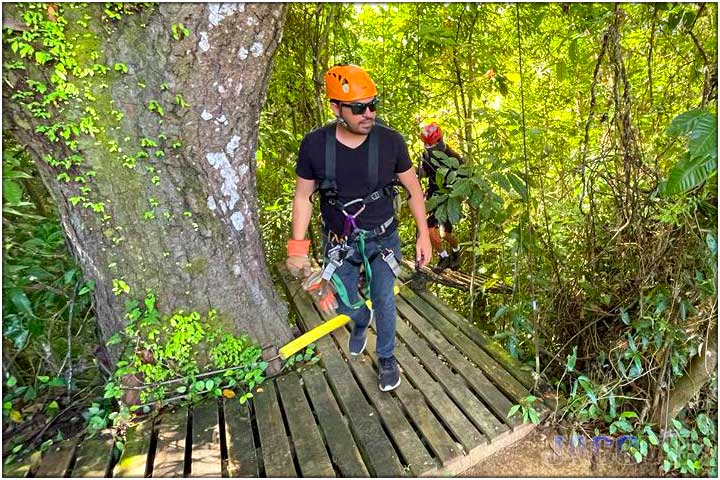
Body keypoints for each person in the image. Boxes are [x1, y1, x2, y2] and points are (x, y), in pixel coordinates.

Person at [285, 64, 432, 392]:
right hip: (339, 241)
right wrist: (297, 248)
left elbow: (413, 190)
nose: (368, 114)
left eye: (372, 105)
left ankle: (387, 357)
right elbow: (303, 197)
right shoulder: (315, 146)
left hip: (383, 238)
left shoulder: (390, 142)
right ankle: (359, 320)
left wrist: (424, 234)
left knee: (384, 297)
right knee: (344, 299)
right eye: (358, 108)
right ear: (336, 107)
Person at [418, 122, 463, 273]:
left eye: (431, 143)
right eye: (426, 144)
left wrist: (459, 197)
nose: (428, 146)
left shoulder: (453, 157)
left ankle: (456, 251)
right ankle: (443, 257)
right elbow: (423, 173)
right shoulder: (425, 155)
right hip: (433, 195)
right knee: (429, 230)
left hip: (449, 196)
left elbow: (464, 178)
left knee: (446, 233)